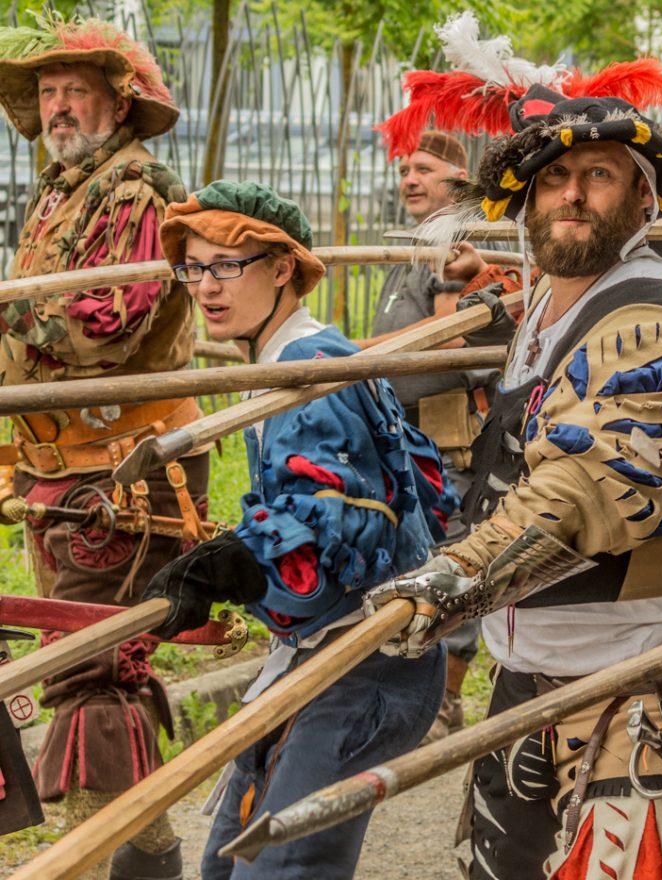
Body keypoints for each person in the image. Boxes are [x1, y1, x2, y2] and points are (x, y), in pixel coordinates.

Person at [367, 74, 662, 879]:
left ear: (642, 200)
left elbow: (589, 488)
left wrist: (457, 577)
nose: (571, 195)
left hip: (645, 672)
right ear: (529, 198)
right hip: (535, 671)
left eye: (599, 175)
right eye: (553, 177)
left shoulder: (651, 314)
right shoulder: (552, 297)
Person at [141, 181, 457, 879]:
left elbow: (341, 530)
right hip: (317, 656)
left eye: (227, 265)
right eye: (193, 268)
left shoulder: (308, 373)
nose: (206, 286)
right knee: (227, 865)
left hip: (365, 662)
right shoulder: (286, 362)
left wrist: (238, 563)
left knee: (281, 872)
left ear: (283, 267)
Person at [0, 18, 203, 878]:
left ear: (118, 101)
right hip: (59, 467)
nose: (57, 106)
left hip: (126, 467)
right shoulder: (58, 191)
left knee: (92, 678)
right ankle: (151, 860)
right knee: (84, 671)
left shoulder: (134, 190)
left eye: (74, 89)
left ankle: (95, 866)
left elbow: (101, 327)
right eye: (46, 92)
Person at [366, 128, 505, 741]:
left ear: (457, 179)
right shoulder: (417, 246)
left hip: (448, 439)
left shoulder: (454, 249)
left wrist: (352, 353)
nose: (410, 179)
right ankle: (414, 695)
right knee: (413, 563)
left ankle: (445, 701)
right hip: (408, 438)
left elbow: (447, 342)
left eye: (424, 168)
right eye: (405, 169)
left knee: (451, 562)